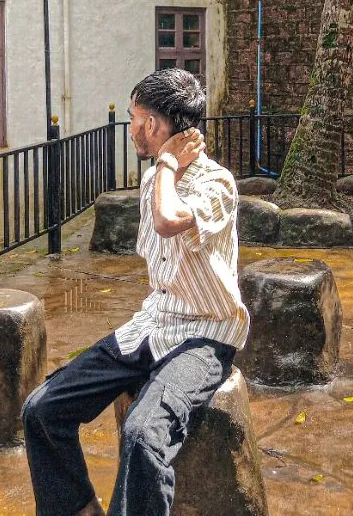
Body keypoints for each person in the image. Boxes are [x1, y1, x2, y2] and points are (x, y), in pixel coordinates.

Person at [23, 68, 250, 516]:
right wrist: (162, 171)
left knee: (144, 434)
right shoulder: (152, 183)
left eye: (134, 118)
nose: (130, 129)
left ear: (152, 125)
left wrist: (166, 163)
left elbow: (168, 221)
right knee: (42, 409)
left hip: (206, 333)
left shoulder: (216, 184)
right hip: (153, 324)